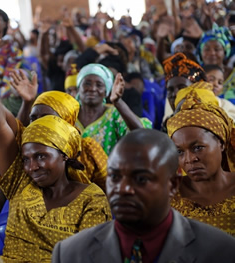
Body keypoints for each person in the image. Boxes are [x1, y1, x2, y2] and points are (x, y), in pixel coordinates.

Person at [0, 17, 111, 262]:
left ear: (64, 154)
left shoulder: (91, 199)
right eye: (27, 158)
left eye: (41, 157)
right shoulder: (21, 180)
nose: (31, 166)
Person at [51, 129, 235, 263]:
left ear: (172, 184)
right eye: (114, 177)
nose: (123, 189)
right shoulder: (69, 254)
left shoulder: (220, 250)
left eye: (140, 179)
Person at [167, 88, 235, 236]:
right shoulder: (169, 195)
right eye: (179, 152)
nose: (190, 159)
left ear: (221, 144)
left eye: (198, 148)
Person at [74, 63, 152, 155]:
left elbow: (142, 134)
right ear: (79, 88)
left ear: (106, 91)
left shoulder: (114, 114)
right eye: (87, 83)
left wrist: (118, 102)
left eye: (99, 85)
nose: (92, 88)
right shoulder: (69, 114)